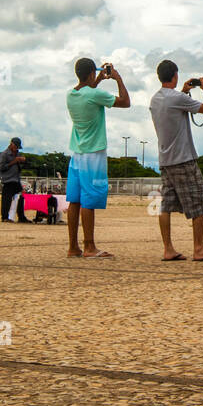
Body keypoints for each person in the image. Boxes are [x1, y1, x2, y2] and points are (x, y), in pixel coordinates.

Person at [149, 60, 203, 262]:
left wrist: (183, 91)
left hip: (165, 160)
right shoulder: (177, 98)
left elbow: (174, 105)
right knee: (199, 203)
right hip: (183, 159)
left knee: (167, 205)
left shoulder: (155, 99)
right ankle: (199, 248)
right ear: (175, 75)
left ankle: (168, 248)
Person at [65, 58, 129, 258]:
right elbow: (125, 102)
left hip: (77, 153)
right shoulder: (95, 94)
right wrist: (117, 79)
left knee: (74, 201)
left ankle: (73, 246)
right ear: (92, 72)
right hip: (94, 154)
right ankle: (89, 246)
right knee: (89, 201)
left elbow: (87, 91)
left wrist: (99, 78)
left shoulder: (71, 95)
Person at [0, 137, 29, 222]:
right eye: (16, 147)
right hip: (8, 180)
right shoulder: (4, 154)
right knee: (6, 200)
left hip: (16, 179)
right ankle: (4, 217)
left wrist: (23, 161)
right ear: (11, 144)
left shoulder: (17, 154)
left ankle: (21, 217)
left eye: (18, 147)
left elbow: (20, 166)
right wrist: (14, 161)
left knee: (21, 198)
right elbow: (2, 168)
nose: (17, 149)